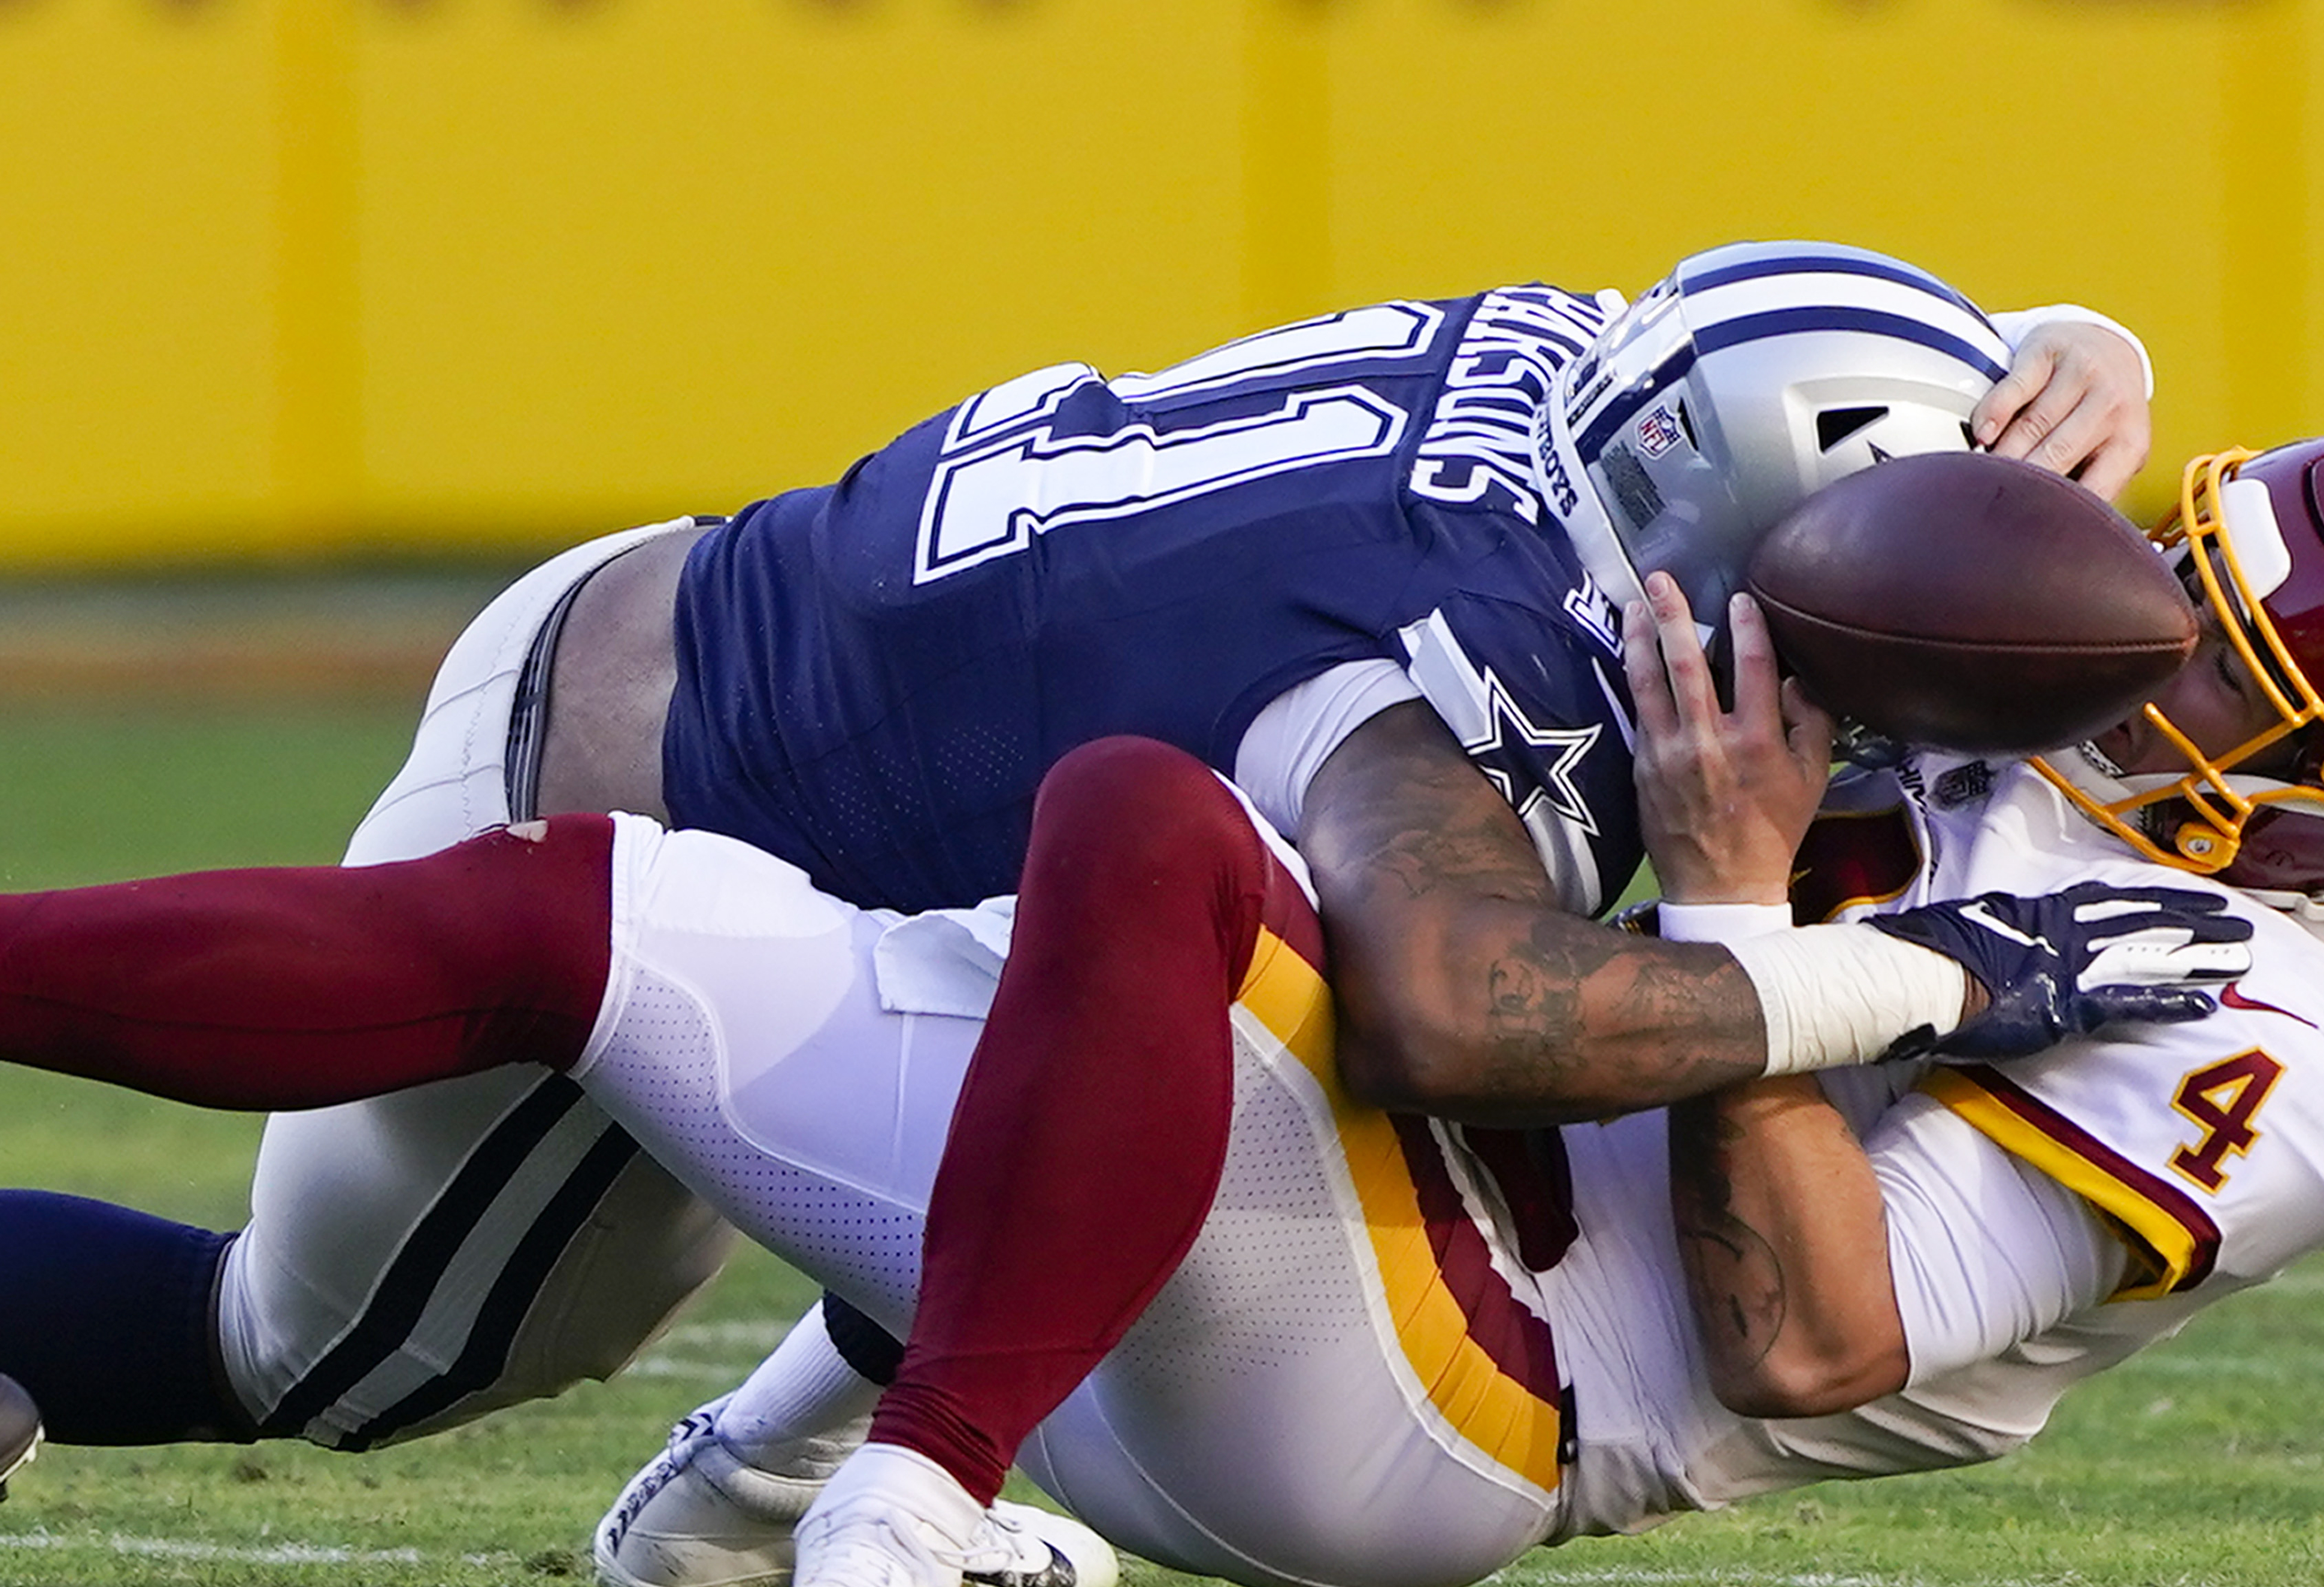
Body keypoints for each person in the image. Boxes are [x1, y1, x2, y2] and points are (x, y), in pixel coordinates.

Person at [0, 434, 2324, 1587]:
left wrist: (1734, 914)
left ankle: (888, 1511)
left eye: (2219, 663)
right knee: (570, 920)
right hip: (1232, 1206)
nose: (2135, 645)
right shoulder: (2031, 747)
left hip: (1429, 1413)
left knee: (1150, 842)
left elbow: (1805, 1332)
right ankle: (773, 1473)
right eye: (2169, 577)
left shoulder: (2285, 1050)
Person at [0, 241, 2156, 1471]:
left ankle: (853, 1454)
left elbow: (1835, 364)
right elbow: (1454, 1015)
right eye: (1874, 606)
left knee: (1094, 1039)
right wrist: (1897, 971)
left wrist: (2087, 350)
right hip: (662, 793)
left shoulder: (1593, 352)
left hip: (691, 615)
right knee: (326, 1353)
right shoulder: (1456, 670)